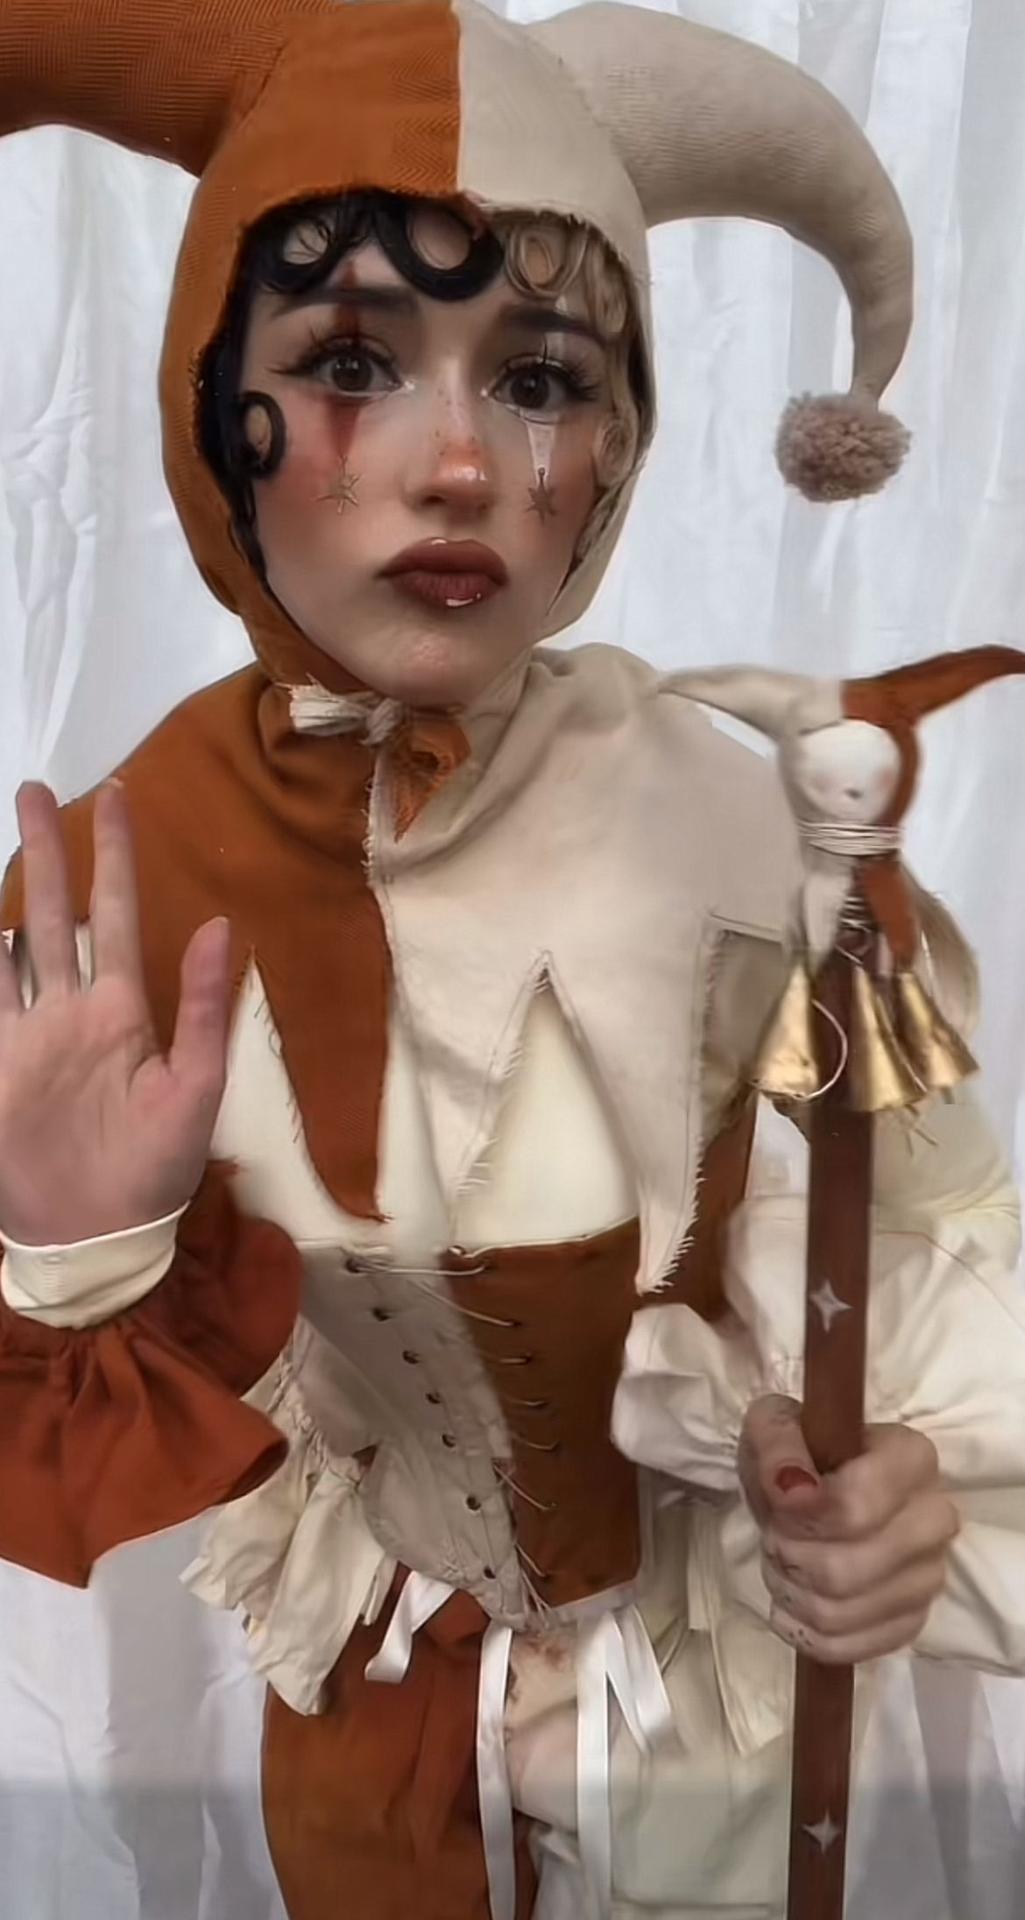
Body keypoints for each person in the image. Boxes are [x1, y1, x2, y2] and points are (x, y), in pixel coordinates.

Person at [1, 2, 1024, 1917]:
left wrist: (909, 1482)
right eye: (350, 362)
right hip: (373, 1720)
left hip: (719, 1732)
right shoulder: (118, 884)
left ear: (619, 444)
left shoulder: (748, 822)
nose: (461, 462)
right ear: (209, 406)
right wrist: (69, 1259)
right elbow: (97, 1421)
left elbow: (941, 1230)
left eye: (543, 377)